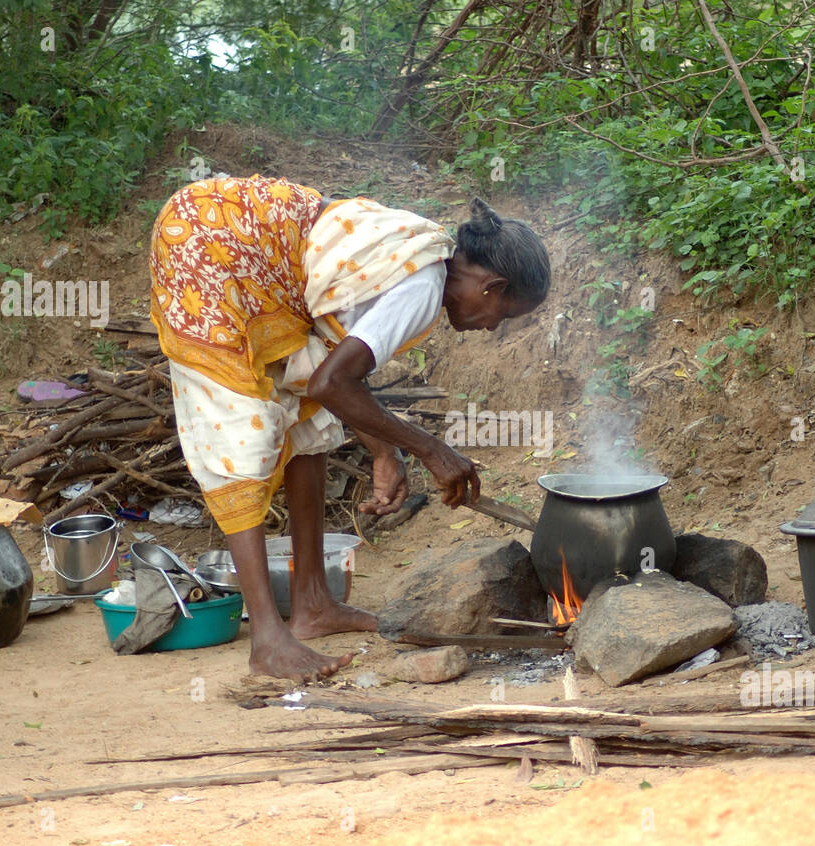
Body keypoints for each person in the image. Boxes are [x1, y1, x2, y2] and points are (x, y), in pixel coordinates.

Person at [148, 175, 551, 680]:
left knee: (309, 426)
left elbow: (329, 379)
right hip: (208, 247)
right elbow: (332, 382)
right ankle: (268, 640)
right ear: (492, 286)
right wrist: (431, 450)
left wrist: (386, 451)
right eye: (503, 316)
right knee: (241, 437)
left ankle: (313, 602)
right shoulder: (422, 287)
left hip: (251, 260)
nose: (492, 327)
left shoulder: (427, 252)